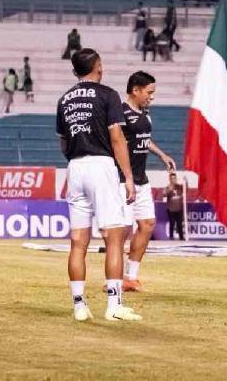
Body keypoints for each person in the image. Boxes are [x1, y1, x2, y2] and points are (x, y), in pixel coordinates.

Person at [57, 48, 141, 322]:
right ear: (97, 66)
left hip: (75, 167)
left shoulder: (65, 99)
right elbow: (117, 138)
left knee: (78, 242)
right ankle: (114, 305)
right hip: (101, 166)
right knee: (113, 237)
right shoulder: (107, 94)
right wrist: (128, 177)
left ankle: (79, 306)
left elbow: (63, 142)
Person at [119, 71, 177, 293]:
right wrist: (127, 178)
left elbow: (143, 140)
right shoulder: (121, 114)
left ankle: (131, 277)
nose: (151, 97)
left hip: (141, 180)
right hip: (124, 181)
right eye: (149, 92)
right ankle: (113, 279)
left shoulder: (145, 113)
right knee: (121, 231)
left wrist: (161, 155)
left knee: (147, 224)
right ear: (135, 90)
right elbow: (117, 145)